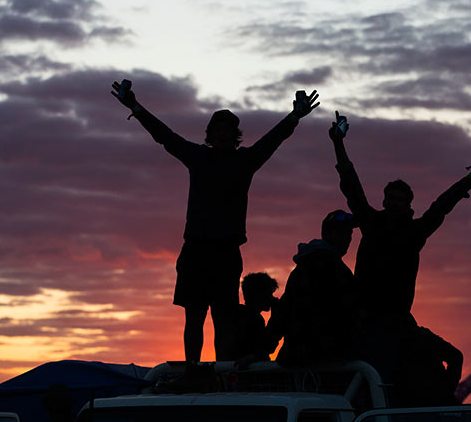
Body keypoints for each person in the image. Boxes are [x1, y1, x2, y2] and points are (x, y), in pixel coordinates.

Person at [110, 80, 319, 362]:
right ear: (210, 134)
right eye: (217, 130)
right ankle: (193, 371)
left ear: (235, 136)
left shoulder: (245, 160)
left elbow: (273, 139)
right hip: (195, 250)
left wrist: (294, 116)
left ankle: (224, 374)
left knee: (224, 319)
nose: (222, 135)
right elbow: (164, 136)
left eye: (228, 131)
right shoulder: (197, 156)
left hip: (226, 253)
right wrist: (135, 106)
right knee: (194, 318)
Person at [328, 111, 471, 397]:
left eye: (401, 200)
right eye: (391, 198)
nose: (394, 203)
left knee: (452, 358)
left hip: (400, 323)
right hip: (366, 324)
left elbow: (444, 204)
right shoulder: (371, 221)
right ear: (384, 200)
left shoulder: (416, 232)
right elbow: (350, 183)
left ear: (408, 205)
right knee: (379, 383)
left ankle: (445, 409)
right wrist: (338, 143)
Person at [265, 209, 357, 367]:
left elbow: (283, 311)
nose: (347, 239)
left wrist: (261, 350)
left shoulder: (302, 268)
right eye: (341, 233)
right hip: (326, 362)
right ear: (327, 234)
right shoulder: (336, 270)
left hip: (297, 358)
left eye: (349, 234)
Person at [235, 272, 279, 362]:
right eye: (269, 294)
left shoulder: (243, 314)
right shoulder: (254, 319)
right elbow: (267, 346)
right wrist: (276, 316)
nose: (271, 298)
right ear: (259, 296)